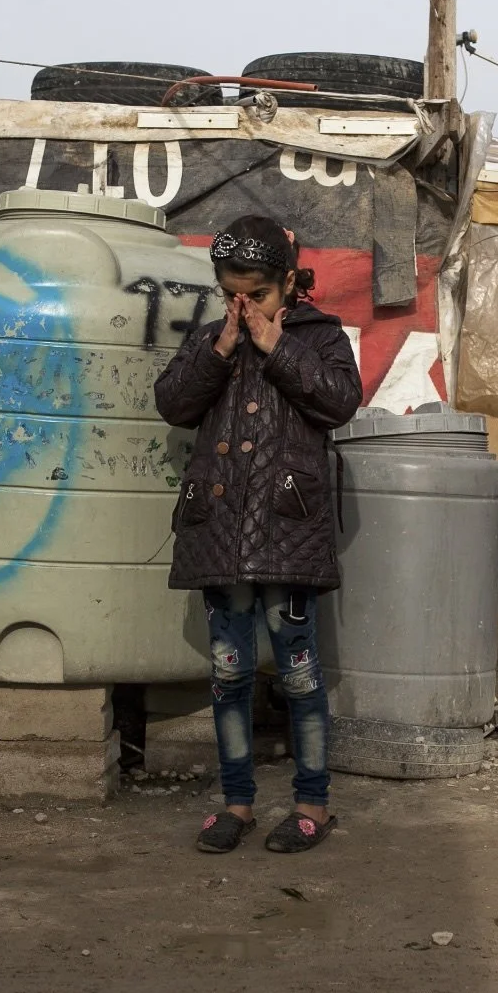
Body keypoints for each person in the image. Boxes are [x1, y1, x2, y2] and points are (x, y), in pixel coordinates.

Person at [154, 215, 361, 854]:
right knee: (228, 674)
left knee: (299, 675)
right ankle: (237, 803)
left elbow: (339, 401)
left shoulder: (320, 336)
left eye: (259, 295)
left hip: (287, 534)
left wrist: (277, 348)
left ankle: (312, 804)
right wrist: (219, 349)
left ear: (289, 284)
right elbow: (173, 404)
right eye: (231, 294)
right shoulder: (210, 337)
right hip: (221, 535)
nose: (244, 308)